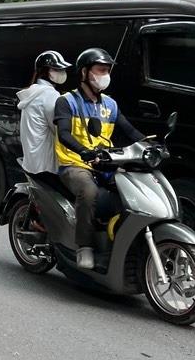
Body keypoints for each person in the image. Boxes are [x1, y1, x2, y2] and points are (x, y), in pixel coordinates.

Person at [53, 47, 144, 269]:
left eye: (107, 70)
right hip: (74, 163)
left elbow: (130, 131)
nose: (105, 75)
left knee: (133, 190)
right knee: (89, 192)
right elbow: (64, 134)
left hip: (105, 163)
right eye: (100, 70)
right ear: (85, 72)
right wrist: (83, 151)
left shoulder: (110, 104)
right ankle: (84, 246)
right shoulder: (67, 101)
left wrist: (149, 144)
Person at [16, 50, 71, 177]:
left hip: (32, 159)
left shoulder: (34, 92)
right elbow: (58, 128)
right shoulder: (49, 95)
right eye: (56, 69)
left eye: (62, 69)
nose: (62, 72)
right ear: (45, 72)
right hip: (46, 163)